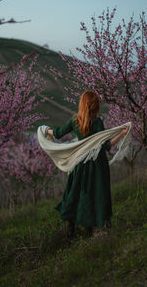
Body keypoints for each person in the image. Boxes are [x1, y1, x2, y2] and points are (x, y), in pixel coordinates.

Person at [47, 91, 130, 239]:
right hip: (97, 165)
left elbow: (58, 133)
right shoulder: (97, 122)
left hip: (80, 163)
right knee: (95, 194)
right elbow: (106, 146)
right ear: (95, 106)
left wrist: (45, 130)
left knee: (76, 193)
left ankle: (70, 231)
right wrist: (122, 133)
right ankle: (89, 230)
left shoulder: (74, 121)